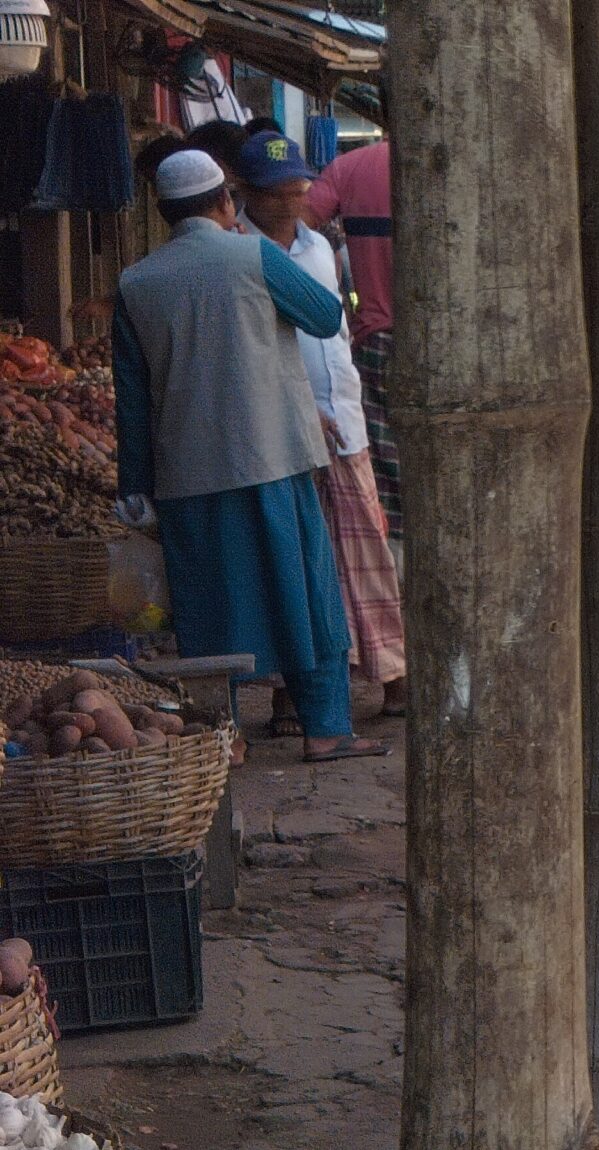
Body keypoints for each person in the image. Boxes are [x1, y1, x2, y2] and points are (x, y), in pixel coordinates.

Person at [112, 150, 385, 764]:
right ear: (224, 204)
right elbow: (324, 315)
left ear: (163, 213)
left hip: (185, 474)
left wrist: (135, 490)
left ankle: (223, 738)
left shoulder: (135, 284)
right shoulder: (254, 256)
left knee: (210, 607)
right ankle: (324, 728)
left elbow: (130, 403)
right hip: (275, 458)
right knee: (306, 599)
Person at [236, 133, 409, 721]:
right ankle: (293, 695)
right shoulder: (238, 254)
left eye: (297, 189)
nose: (291, 200)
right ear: (246, 193)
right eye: (277, 192)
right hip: (284, 432)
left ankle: (392, 676)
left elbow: (331, 330)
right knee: (298, 564)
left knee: (367, 554)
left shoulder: (319, 250)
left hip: (346, 420)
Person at [306, 139, 400, 537]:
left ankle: (395, 564)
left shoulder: (350, 167)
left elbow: (296, 225)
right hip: (459, 342)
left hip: (379, 338)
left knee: (386, 468)